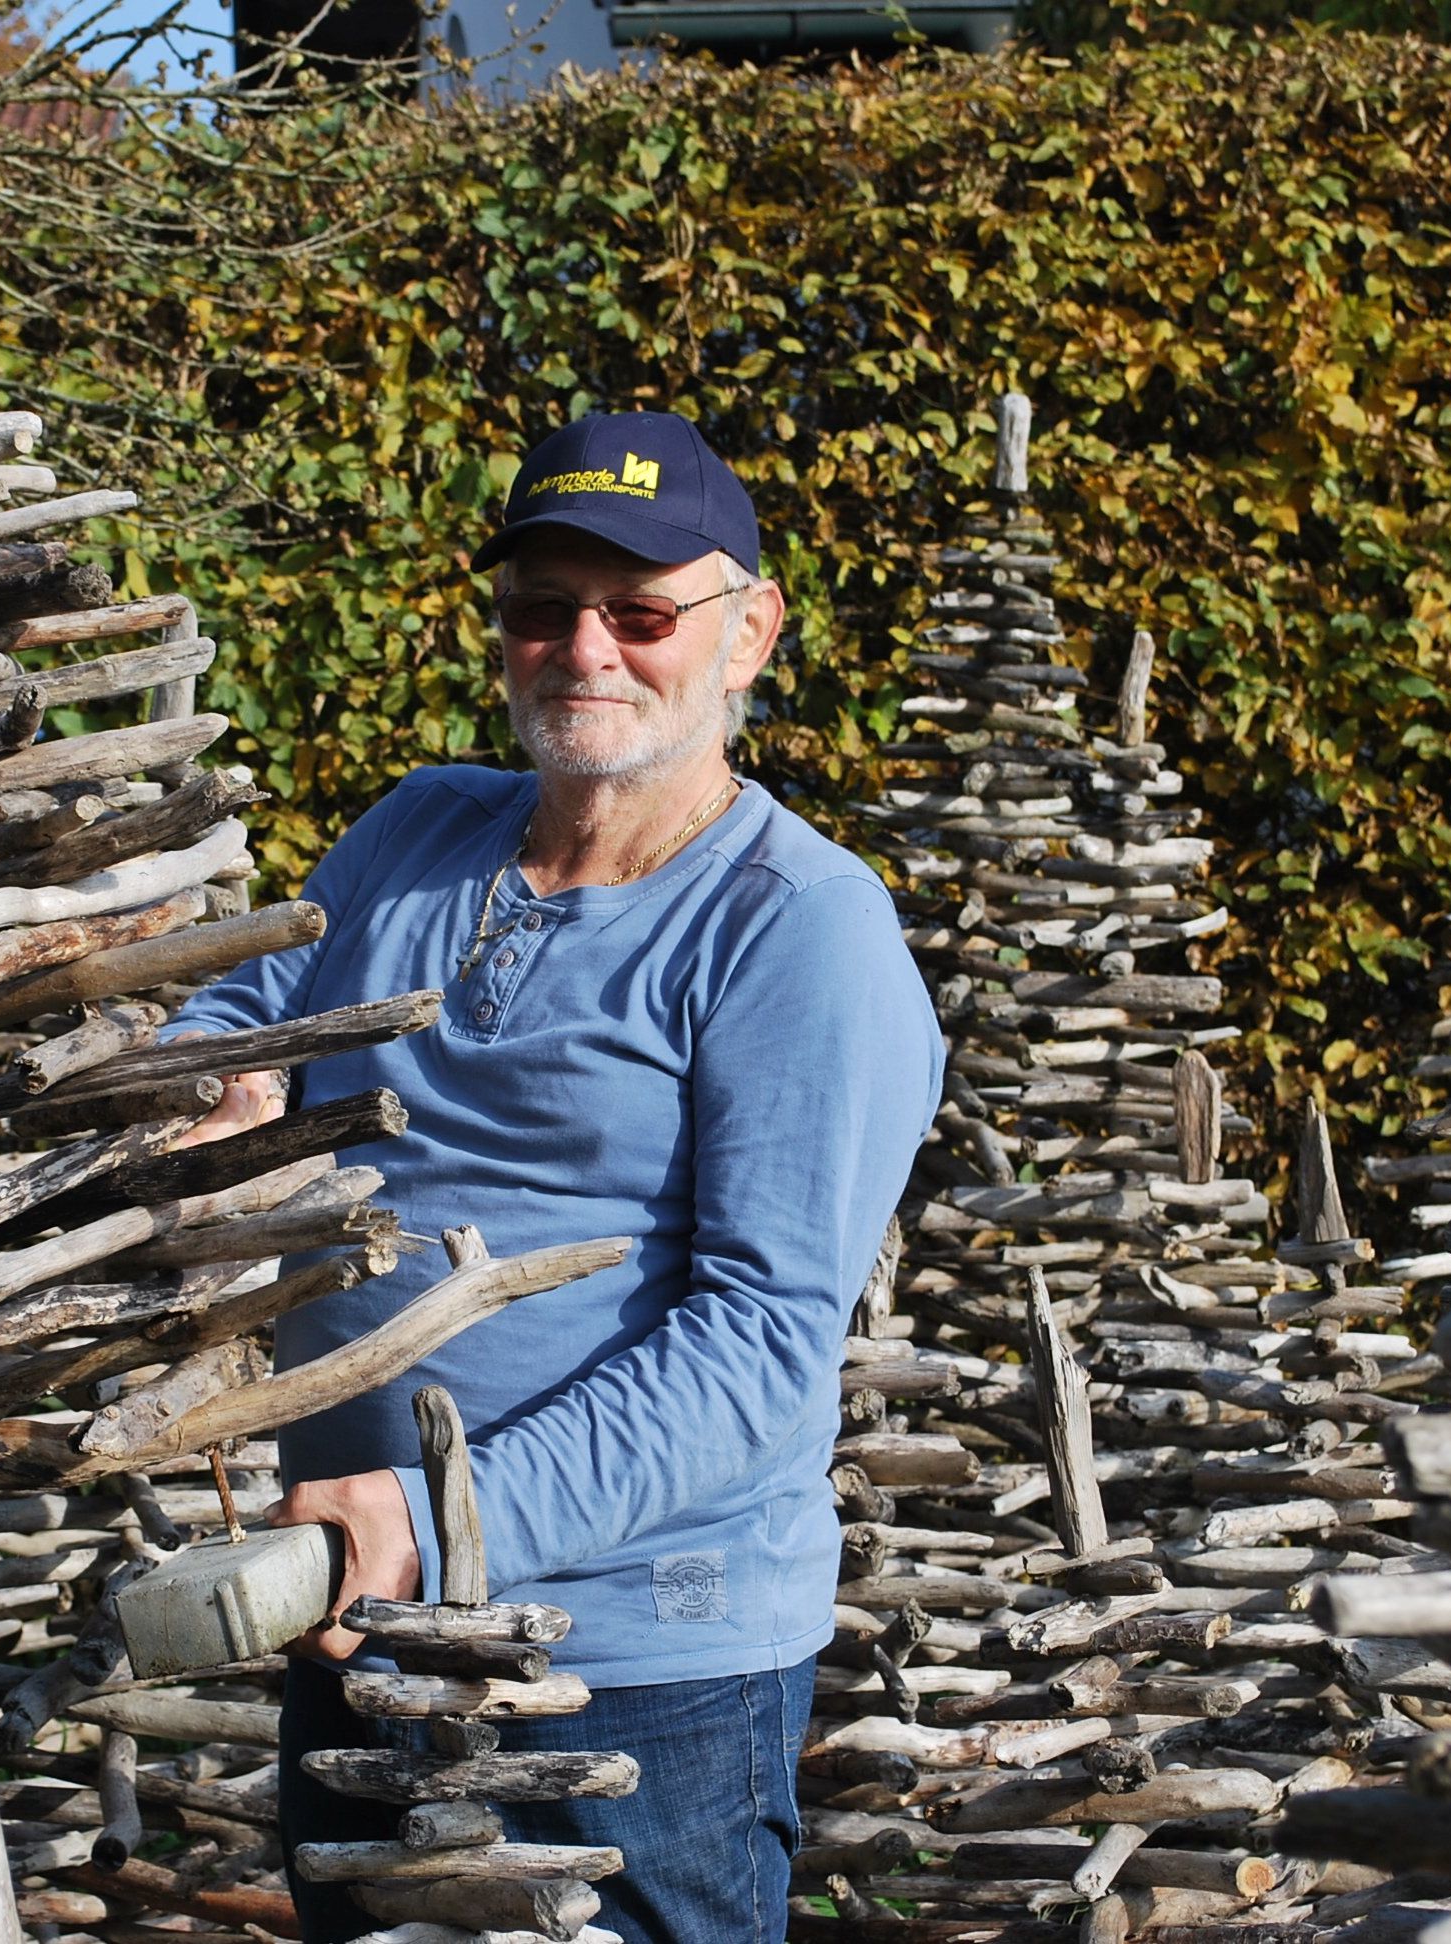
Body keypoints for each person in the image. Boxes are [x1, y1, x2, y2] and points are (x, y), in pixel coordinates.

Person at [163, 410, 944, 1943]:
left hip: (633, 1666)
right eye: (542, 609)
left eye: (644, 613)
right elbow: (252, 1009)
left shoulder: (799, 930)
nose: (586, 649)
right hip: (364, 1618)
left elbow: (758, 1349)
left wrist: (429, 1517)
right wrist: (218, 1078)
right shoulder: (415, 830)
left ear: (748, 634)